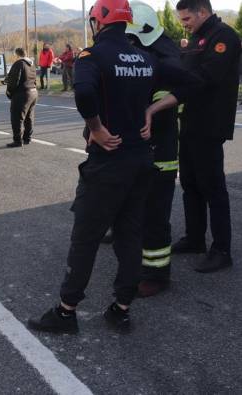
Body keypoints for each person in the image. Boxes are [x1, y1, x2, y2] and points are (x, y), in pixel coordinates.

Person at [27, 0, 162, 333]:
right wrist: (150, 113)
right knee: (130, 236)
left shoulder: (93, 55)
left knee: (86, 238)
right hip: (141, 160)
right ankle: (121, 307)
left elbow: (84, 92)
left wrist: (97, 128)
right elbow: (185, 81)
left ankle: (65, 311)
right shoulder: (145, 57)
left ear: (97, 23)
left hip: (109, 163)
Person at [143, 0, 241, 273]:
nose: (183, 24)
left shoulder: (225, 37)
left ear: (202, 12)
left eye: (186, 19)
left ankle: (221, 250)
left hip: (209, 125)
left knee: (213, 188)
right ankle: (195, 238)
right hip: (188, 122)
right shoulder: (198, 37)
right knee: (189, 183)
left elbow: (203, 79)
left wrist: (158, 105)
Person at [124, 1, 182, 296]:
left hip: (161, 152)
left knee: (155, 215)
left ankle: (157, 276)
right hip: (148, 147)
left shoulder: (165, 58)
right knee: (142, 211)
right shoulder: (155, 50)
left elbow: (176, 94)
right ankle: (143, 265)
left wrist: (148, 109)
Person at [4, 47, 38, 148]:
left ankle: (17, 140)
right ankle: (27, 138)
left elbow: (14, 80)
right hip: (33, 91)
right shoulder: (31, 64)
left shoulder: (19, 63)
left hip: (22, 93)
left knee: (17, 117)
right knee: (29, 117)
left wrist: (10, 92)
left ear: (17, 55)